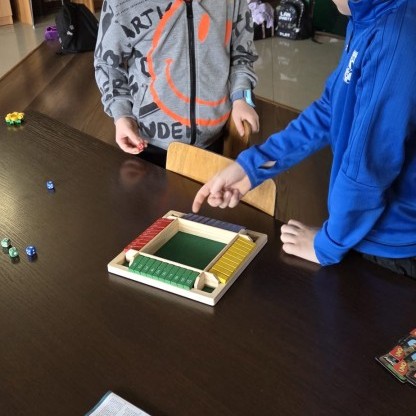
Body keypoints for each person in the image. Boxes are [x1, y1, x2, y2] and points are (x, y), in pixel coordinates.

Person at [192, 0, 416, 278]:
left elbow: (366, 168)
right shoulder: (366, 15)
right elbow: (329, 109)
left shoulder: (396, 37)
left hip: (393, 249)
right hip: (361, 227)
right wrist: (251, 167)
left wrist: (327, 244)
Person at [94, 0, 259, 167]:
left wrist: (242, 97)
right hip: (148, 142)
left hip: (214, 137)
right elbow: (107, 64)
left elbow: (242, 55)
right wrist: (121, 114)